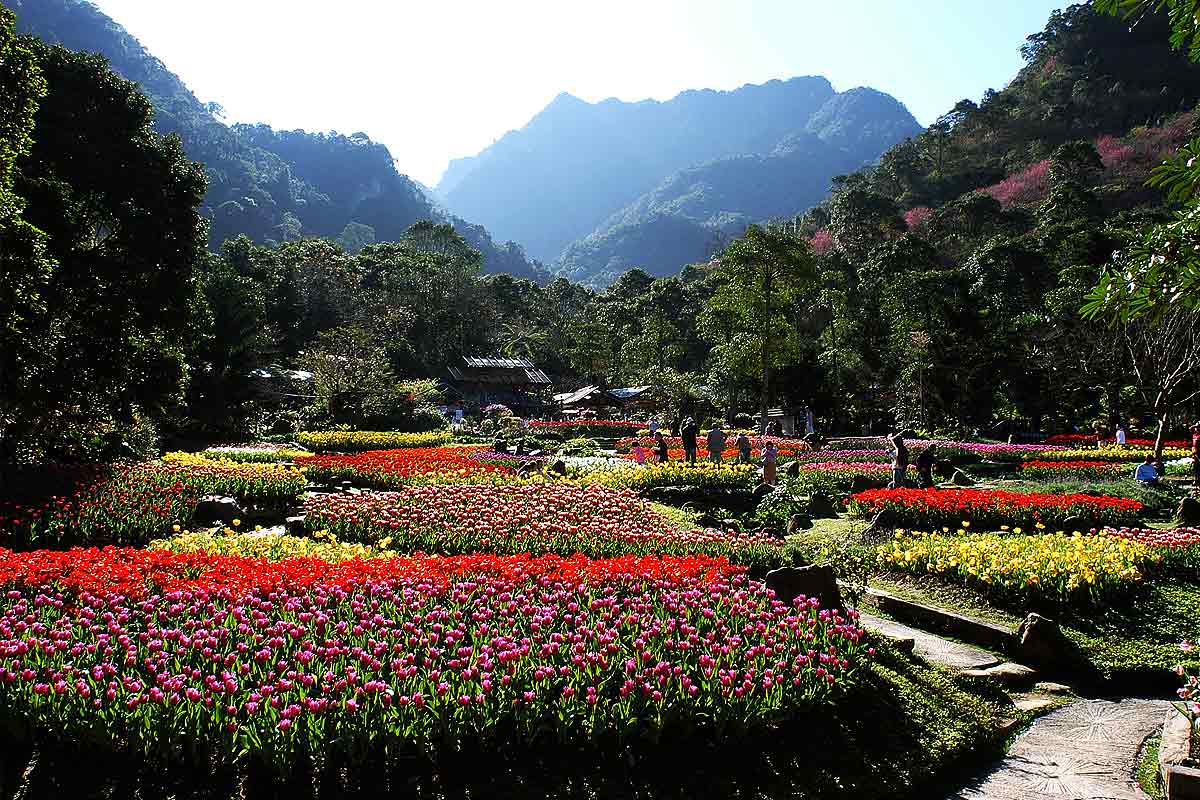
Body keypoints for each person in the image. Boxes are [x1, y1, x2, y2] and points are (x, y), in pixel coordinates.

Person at [1192, 423, 1200, 487]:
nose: (1196, 428)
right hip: (1195, 453)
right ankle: (1195, 479)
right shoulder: (1194, 435)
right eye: (1196, 427)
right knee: (1195, 467)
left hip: (1199, 453)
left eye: (1197, 427)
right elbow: (1193, 445)